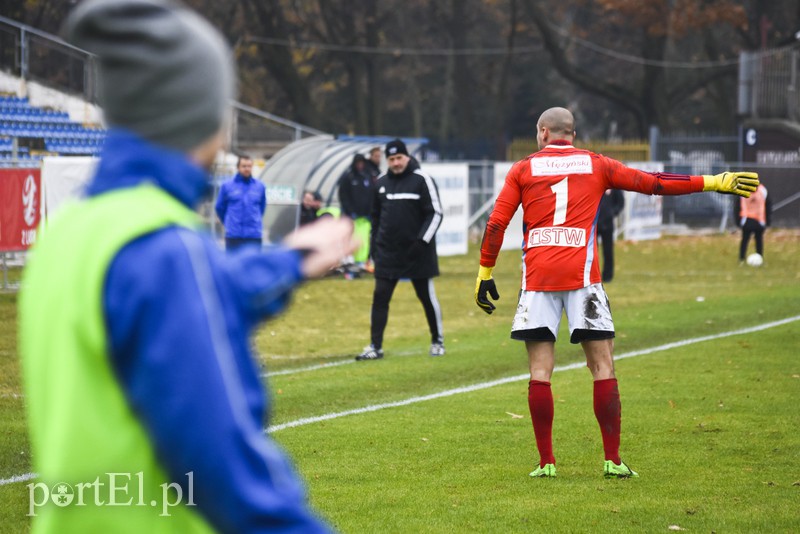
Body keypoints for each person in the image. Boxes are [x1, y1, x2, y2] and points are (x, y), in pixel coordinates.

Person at [18, 1, 356, 532]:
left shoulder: (70, 233)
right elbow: (226, 472)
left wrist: (289, 262)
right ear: (203, 116)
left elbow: (182, 301)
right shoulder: (165, 247)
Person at [474, 107, 758, 479]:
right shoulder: (597, 164)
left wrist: (485, 272)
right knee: (602, 365)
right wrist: (713, 182)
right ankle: (612, 460)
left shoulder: (523, 168)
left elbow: (497, 222)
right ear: (572, 134)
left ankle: (546, 463)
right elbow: (652, 182)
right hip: (583, 279)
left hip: (538, 281)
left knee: (540, 371)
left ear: (543, 132)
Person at [357, 139, 445, 360]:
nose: (396, 163)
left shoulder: (422, 180)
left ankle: (437, 341)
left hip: (418, 253)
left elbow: (435, 213)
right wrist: (373, 248)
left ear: (407, 157)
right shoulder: (381, 183)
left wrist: (421, 242)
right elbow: (375, 219)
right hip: (388, 253)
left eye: (399, 158)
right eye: (391, 159)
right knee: (380, 297)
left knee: (425, 296)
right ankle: (375, 346)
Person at [215, 155, 266, 250]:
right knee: (233, 263)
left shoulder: (260, 187)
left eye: (249, 166)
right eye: (244, 166)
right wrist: (228, 222)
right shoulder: (227, 186)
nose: (247, 169)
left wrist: (254, 221)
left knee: (254, 264)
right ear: (238, 167)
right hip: (234, 235)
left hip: (253, 235)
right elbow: (219, 207)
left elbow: (261, 208)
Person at [338, 153, 374, 267]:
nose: (360, 165)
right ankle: (350, 260)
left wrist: (370, 211)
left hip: (365, 217)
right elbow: (343, 195)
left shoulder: (368, 176)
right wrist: (350, 211)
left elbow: (372, 195)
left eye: (362, 163)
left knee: (365, 239)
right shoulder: (348, 177)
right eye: (358, 163)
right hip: (352, 216)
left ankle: (363, 261)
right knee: (352, 238)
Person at [737, 183, 770, 263]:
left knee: (758, 239)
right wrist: (739, 221)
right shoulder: (742, 190)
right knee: (745, 239)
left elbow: (768, 205)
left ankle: (760, 257)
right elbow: (737, 205)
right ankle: (741, 258)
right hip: (747, 219)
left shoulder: (762, 190)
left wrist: (767, 220)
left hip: (759, 219)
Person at [597, 189, 625, 282]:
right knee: (591, 252)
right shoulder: (594, 183)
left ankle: (608, 276)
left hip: (608, 224)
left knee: (608, 251)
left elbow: (621, 202)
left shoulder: (613, 186)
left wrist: (612, 213)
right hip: (594, 225)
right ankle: (593, 276)